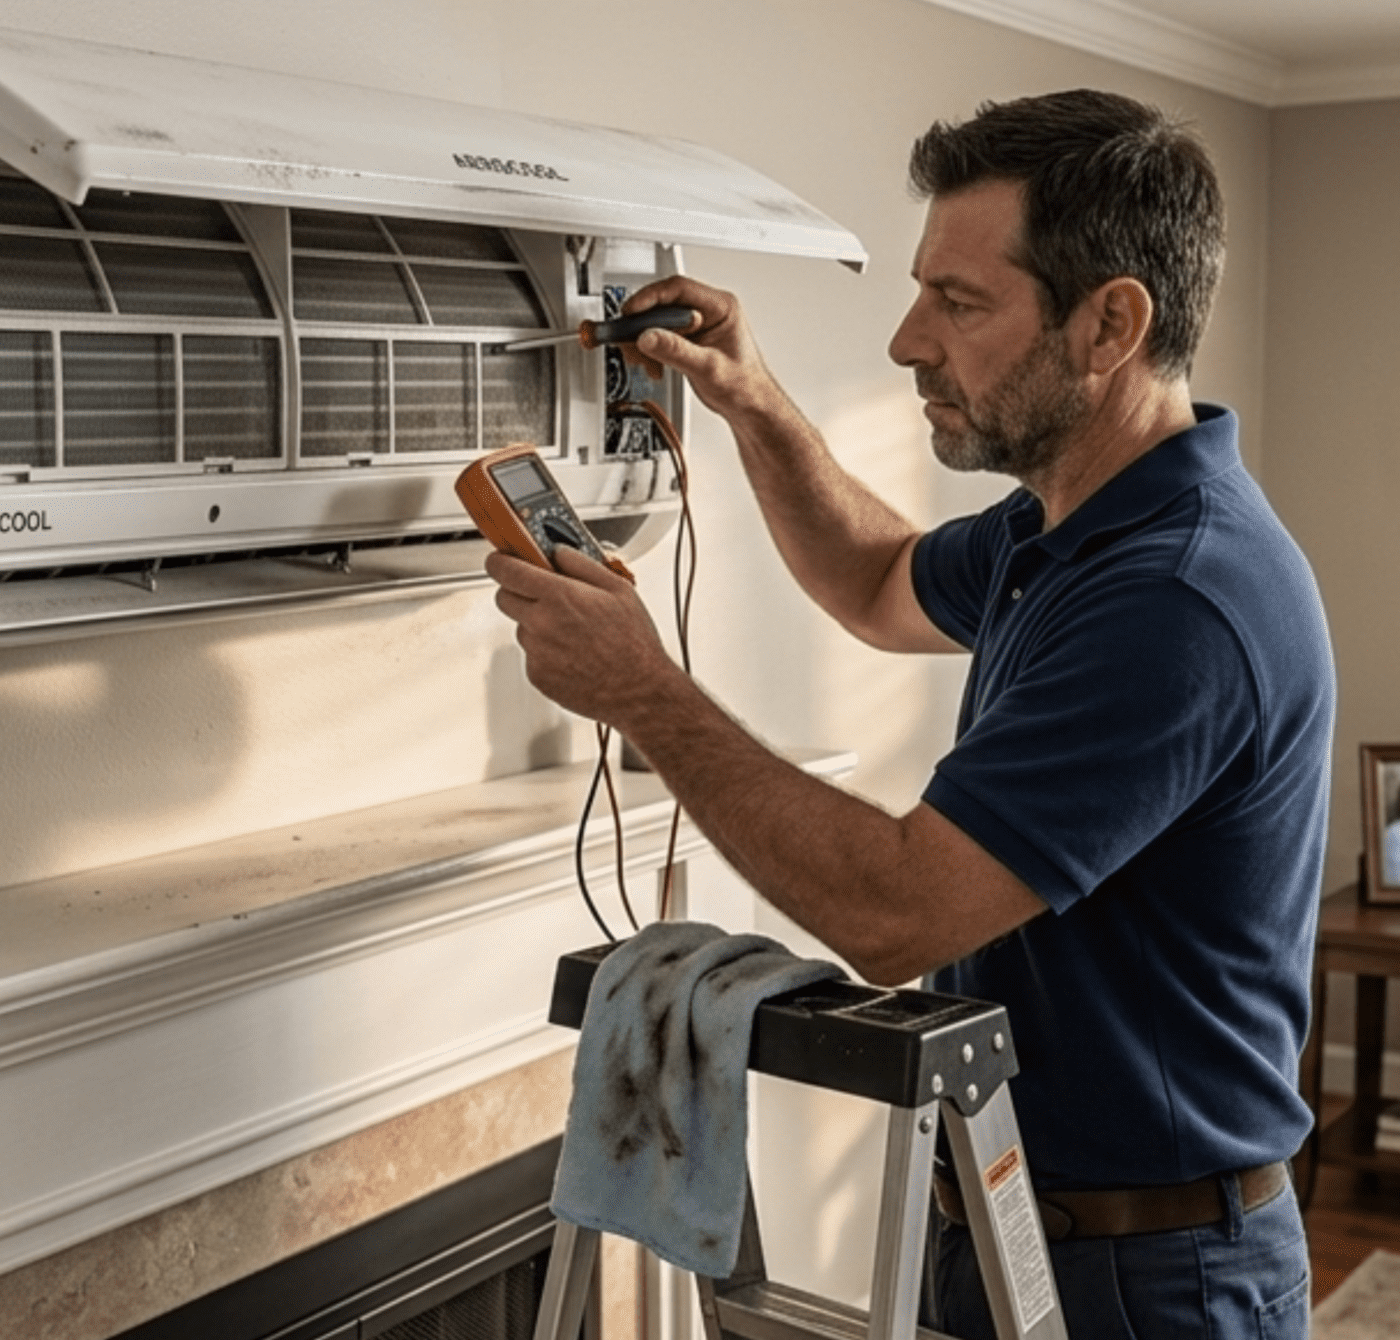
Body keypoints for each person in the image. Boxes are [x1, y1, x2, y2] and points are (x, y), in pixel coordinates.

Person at [483, 89, 1328, 1339]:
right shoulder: (1075, 525)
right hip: (1007, 1215)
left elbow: (897, 906)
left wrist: (641, 692)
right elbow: (879, 582)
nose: (905, 341)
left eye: (959, 301)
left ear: (1110, 325)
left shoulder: (1175, 598)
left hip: (1144, 1283)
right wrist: (757, 404)